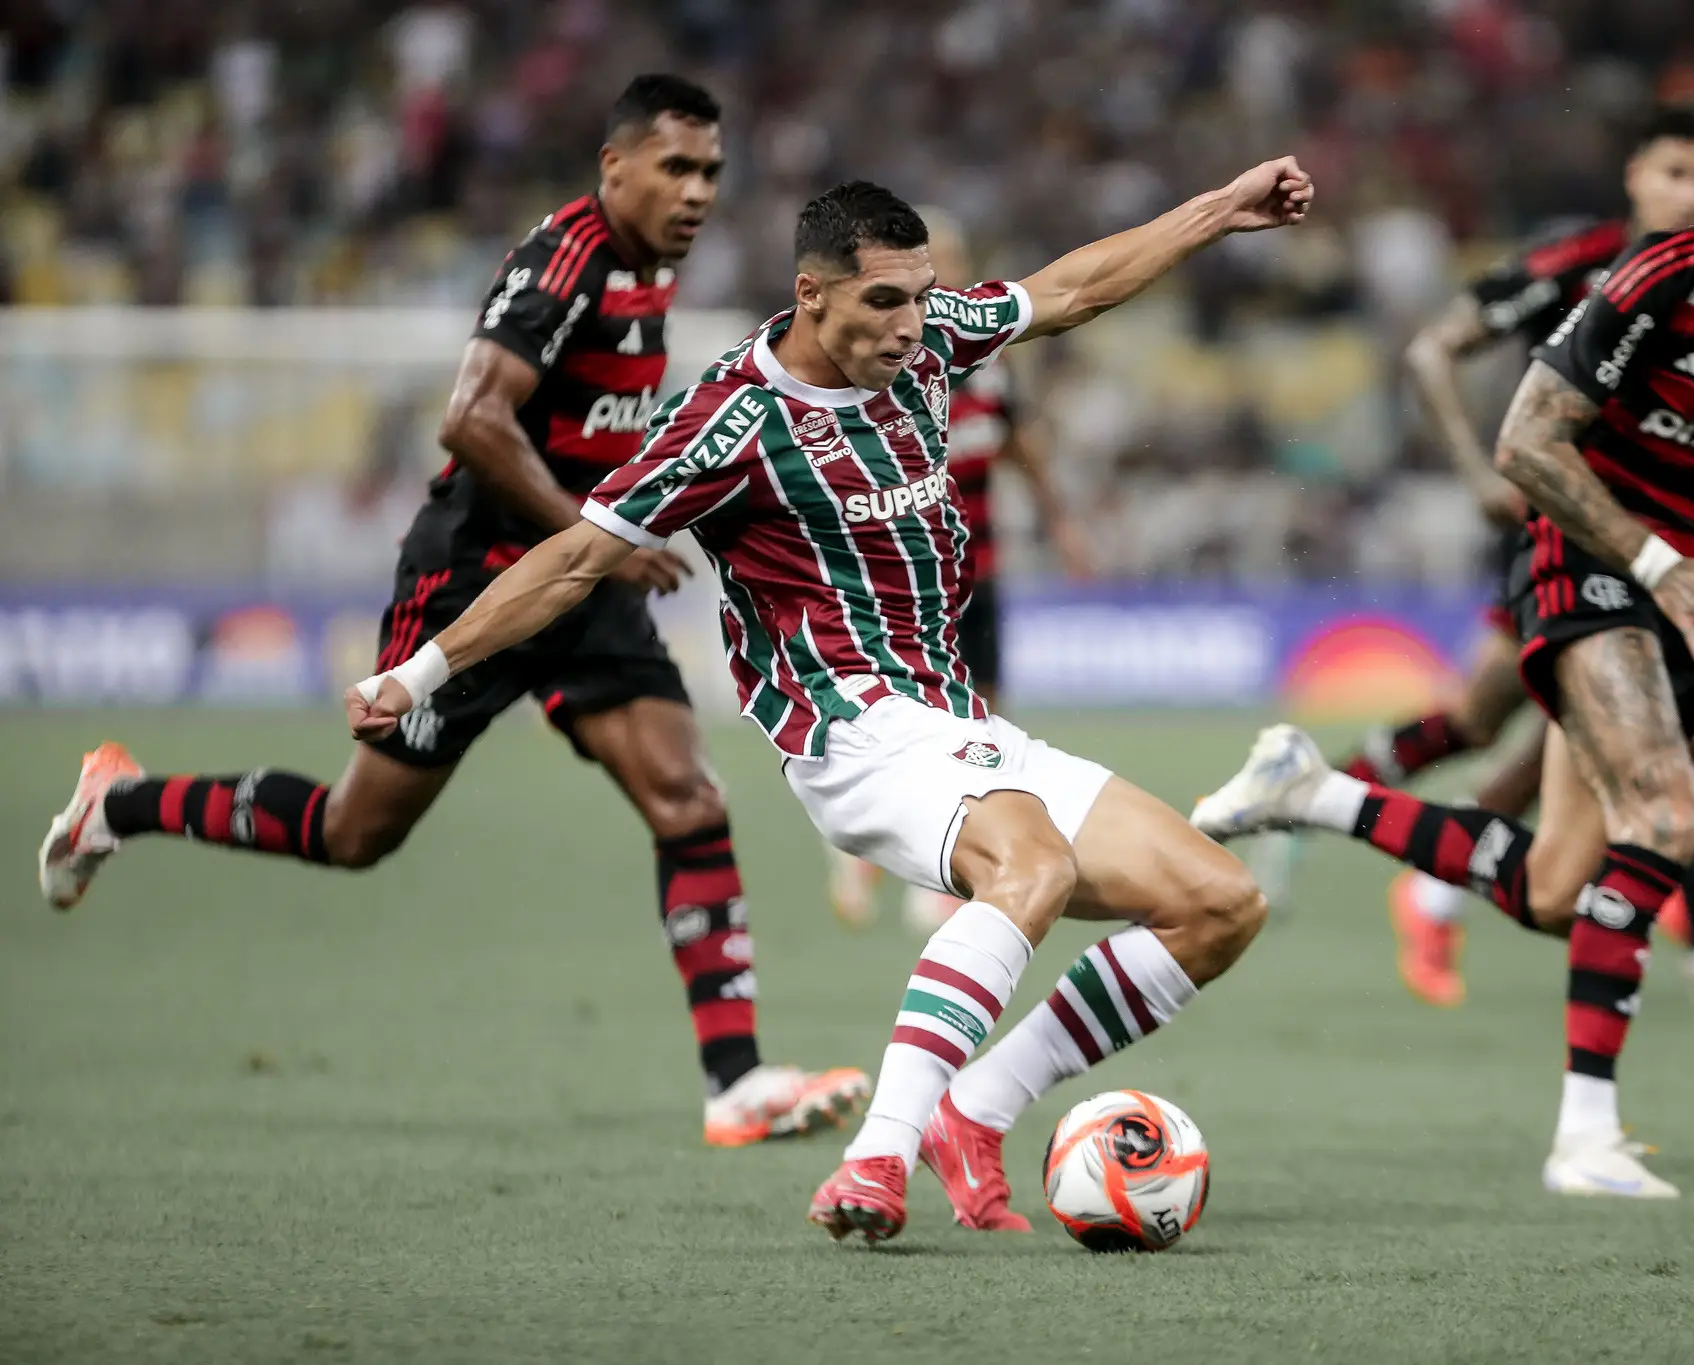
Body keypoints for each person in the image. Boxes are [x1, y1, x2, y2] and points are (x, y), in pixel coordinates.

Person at [342, 165, 1315, 1242]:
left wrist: (1221, 209)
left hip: (956, 721)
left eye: (920, 295)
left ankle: (974, 1114)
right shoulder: (731, 423)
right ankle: (875, 1159)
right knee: (1026, 862)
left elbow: (1075, 285)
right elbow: (573, 559)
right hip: (848, 730)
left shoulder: (932, 335)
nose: (911, 325)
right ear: (812, 294)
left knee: (1217, 903)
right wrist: (416, 672)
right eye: (883, 303)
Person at [38, 74, 868, 1150]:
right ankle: (124, 804)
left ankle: (736, 1082)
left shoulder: (652, 264)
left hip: (578, 581)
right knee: (354, 834)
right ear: (613, 166)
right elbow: (473, 419)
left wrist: (606, 539)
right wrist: (596, 534)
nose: (698, 188)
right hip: (475, 580)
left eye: (711, 168)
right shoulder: (564, 260)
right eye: (675, 166)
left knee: (687, 797)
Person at [1197, 85, 1694, 1198]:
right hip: (1591, 559)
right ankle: (1583, 1138)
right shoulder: (1665, 273)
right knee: (1664, 818)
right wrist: (1650, 562)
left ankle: (1314, 795)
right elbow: (1527, 440)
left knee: (1554, 893)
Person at [1311, 105, 1694, 1006]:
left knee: (1595, 733)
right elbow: (1434, 349)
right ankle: (1345, 814)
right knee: (1507, 723)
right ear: (1635, 176)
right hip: (1578, 538)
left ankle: (1685, 919)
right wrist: (1475, 469)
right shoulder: (1581, 266)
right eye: (1677, 174)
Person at [823, 207, 1096, 935]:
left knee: (986, 712)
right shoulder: (885, 370)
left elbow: (1023, 449)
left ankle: (941, 858)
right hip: (912, 582)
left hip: (985, 565)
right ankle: (882, 856)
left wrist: (1062, 522)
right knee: (917, 717)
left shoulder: (989, 367)